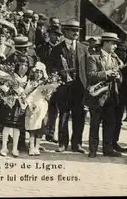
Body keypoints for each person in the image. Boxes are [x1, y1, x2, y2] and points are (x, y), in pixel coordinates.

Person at [50, 20, 89, 154]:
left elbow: (87, 69)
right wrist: (59, 76)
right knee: (64, 115)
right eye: (73, 30)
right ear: (65, 31)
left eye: (77, 30)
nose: (76, 33)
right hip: (64, 88)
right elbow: (52, 68)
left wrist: (87, 86)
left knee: (79, 116)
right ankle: (62, 143)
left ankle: (77, 144)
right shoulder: (56, 49)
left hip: (80, 87)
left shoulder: (84, 48)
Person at [86, 32, 123, 158]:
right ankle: (93, 149)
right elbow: (91, 75)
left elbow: (120, 78)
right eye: (113, 44)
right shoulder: (93, 57)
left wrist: (118, 77)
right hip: (97, 95)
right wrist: (107, 73)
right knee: (95, 123)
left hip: (111, 95)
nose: (115, 47)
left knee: (110, 123)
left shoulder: (114, 59)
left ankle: (108, 149)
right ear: (106, 43)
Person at [0, 55, 29, 157]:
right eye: (21, 65)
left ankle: (15, 148)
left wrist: (24, 95)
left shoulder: (28, 80)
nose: (23, 67)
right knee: (7, 125)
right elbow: (3, 88)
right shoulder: (11, 76)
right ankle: (4, 147)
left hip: (20, 106)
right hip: (10, 104)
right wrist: (10, 91)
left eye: (25, 65)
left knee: (17, 127)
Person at [24, 62, 50, 156]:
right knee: (32, 127)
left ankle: (37, 146)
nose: (38, 74)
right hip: (32, 106)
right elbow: (26, 94)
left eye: (40, 72)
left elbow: (48, 98)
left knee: (40, 126)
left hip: (42, 106)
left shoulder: (45, 84)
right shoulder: (30, 82)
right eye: (37, 72)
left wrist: (46, 94)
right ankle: (31, 146)